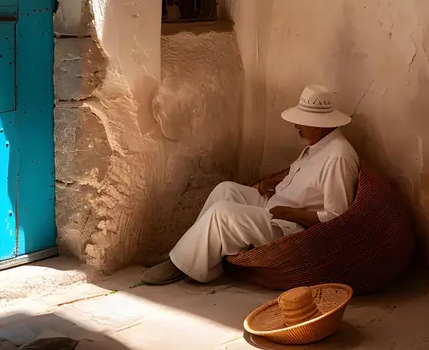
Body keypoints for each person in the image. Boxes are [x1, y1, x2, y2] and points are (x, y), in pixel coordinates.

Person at [142, 84, 359, 286]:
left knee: (222, 212)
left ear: (317, 124)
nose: (296, 126)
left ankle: (181, 265)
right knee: (225, 189)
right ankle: (187, 254)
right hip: (275, 206)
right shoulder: (320, 145)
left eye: (301, 122)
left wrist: (290, 213)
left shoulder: (338, 156)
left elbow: (336, 216)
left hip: (289, 227)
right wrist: (275, 182)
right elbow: (304, 177)